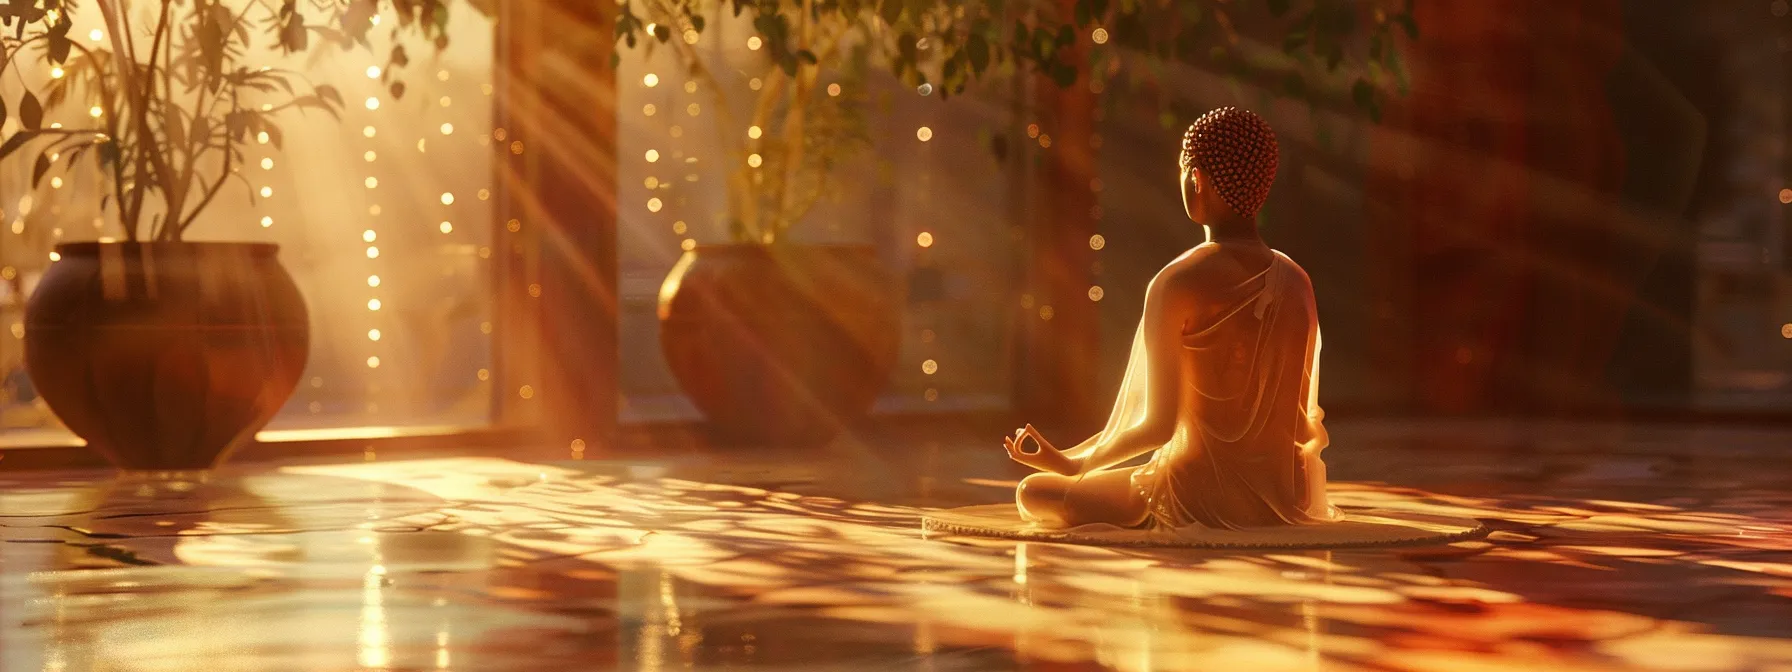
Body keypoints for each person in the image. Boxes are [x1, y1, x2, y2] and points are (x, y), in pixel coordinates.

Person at [1002, 107, 1339, 532]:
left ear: (1196, 179)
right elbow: (1298, 422)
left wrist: (1072, 463)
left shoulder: (1177, 282)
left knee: (1033, 492)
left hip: (1197, 492)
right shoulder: (1296, 281)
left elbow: (1158, 427)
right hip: (1287, 492)